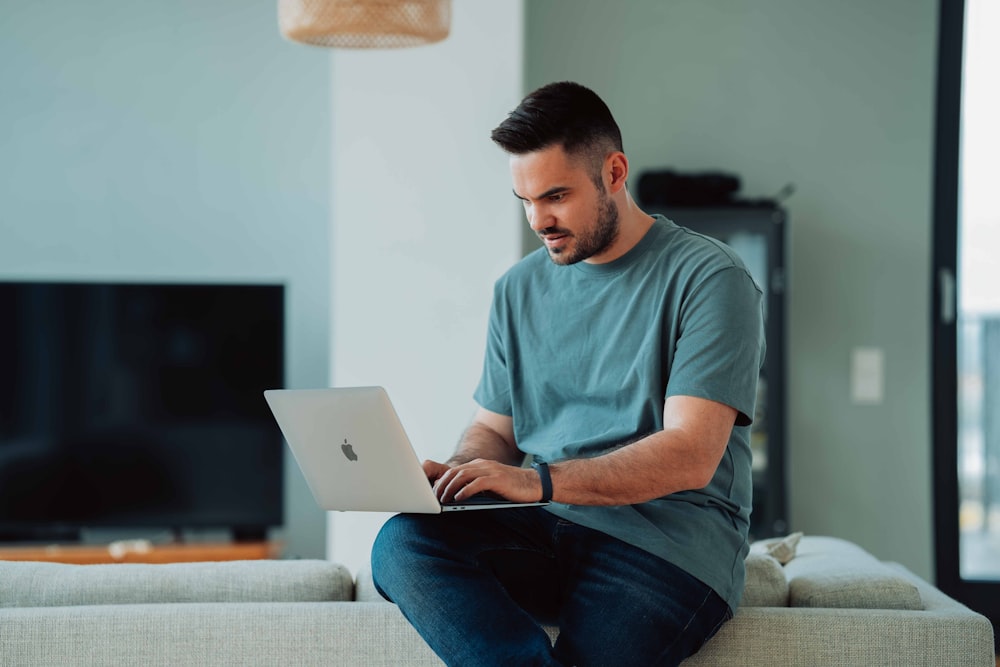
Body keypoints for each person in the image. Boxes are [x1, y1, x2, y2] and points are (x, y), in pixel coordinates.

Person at [371, 81, 765, 667]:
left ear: (613, 172)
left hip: (667, 546)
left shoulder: (710, 277)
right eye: (524, 201)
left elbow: (691, 453)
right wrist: (460, 474)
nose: (538, 220)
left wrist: (536, 482)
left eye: (555, 196)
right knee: (403, 543)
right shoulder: (518, 288)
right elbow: (495, 431)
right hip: (544, 528)